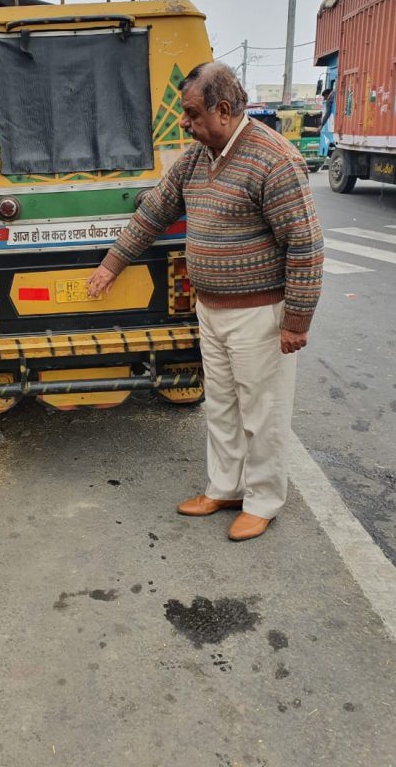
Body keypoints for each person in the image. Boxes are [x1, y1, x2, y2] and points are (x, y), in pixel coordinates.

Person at [87, 62, 324, 541]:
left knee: (262, 411)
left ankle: (262, 500)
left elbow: (305, 244)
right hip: (212, 309)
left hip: (259, 312)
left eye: (192, 113)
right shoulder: (200, 155)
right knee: (221, 405)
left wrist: (296, 320)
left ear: (222, 109)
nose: (184, 122)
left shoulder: (273, 159)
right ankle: (225, 487)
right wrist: (112, 263)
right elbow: (155, 209)